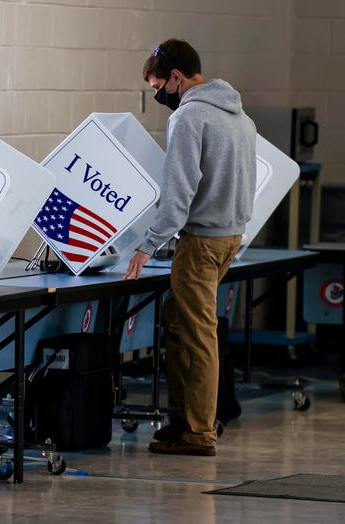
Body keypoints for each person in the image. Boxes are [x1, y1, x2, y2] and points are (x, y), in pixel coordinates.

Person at [123, 39, 256, 456]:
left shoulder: (189, 117)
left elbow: (180, 189)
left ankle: (198, 431)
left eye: (158, 86)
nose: (159, 96)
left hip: (199, 242)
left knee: (198, 336)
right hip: (229, 236)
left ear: (176, 78)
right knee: (178, 321)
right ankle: (186, 418)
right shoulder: (240, 118)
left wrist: (148, 245)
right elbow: (224, 180)